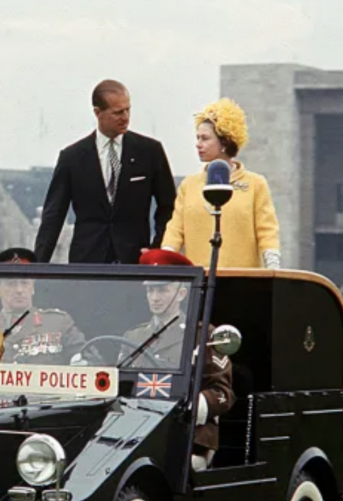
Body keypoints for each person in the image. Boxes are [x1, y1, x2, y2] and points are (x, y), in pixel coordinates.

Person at [34, 79, 176, 264]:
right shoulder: (72, 157)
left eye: (128, 110)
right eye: (118, 112)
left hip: (135, 261)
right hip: (87, 261)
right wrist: (37, 267)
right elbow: (53, 215)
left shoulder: (150, 151)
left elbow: (169, 207)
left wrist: (156, 250)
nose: (125, 117)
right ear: (97, 112)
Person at [130, 249, 235, 470]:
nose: (155, 297)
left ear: (181, 293)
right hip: (135, 433)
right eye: (150, 290)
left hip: (189, 437)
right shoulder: (134, 336)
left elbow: (223, 394)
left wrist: (194, 408)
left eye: (162, 290)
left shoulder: (204, 335)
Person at [161, 98, 281, 269]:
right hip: (200, 281)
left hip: (243, 281)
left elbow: (267, 230)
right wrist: (165, 256)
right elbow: (175, 229)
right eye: (197, 138)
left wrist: (273, 266)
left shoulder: (255, 184)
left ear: (224, 142)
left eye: (205, 138)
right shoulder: (189, 185)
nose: (198, 144)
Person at [0, 248, 85, 364]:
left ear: (32, 287)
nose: (19, 290)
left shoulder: (58, 323)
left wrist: (82, 364)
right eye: (11, 284)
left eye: (25, 283)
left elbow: (90, 360)